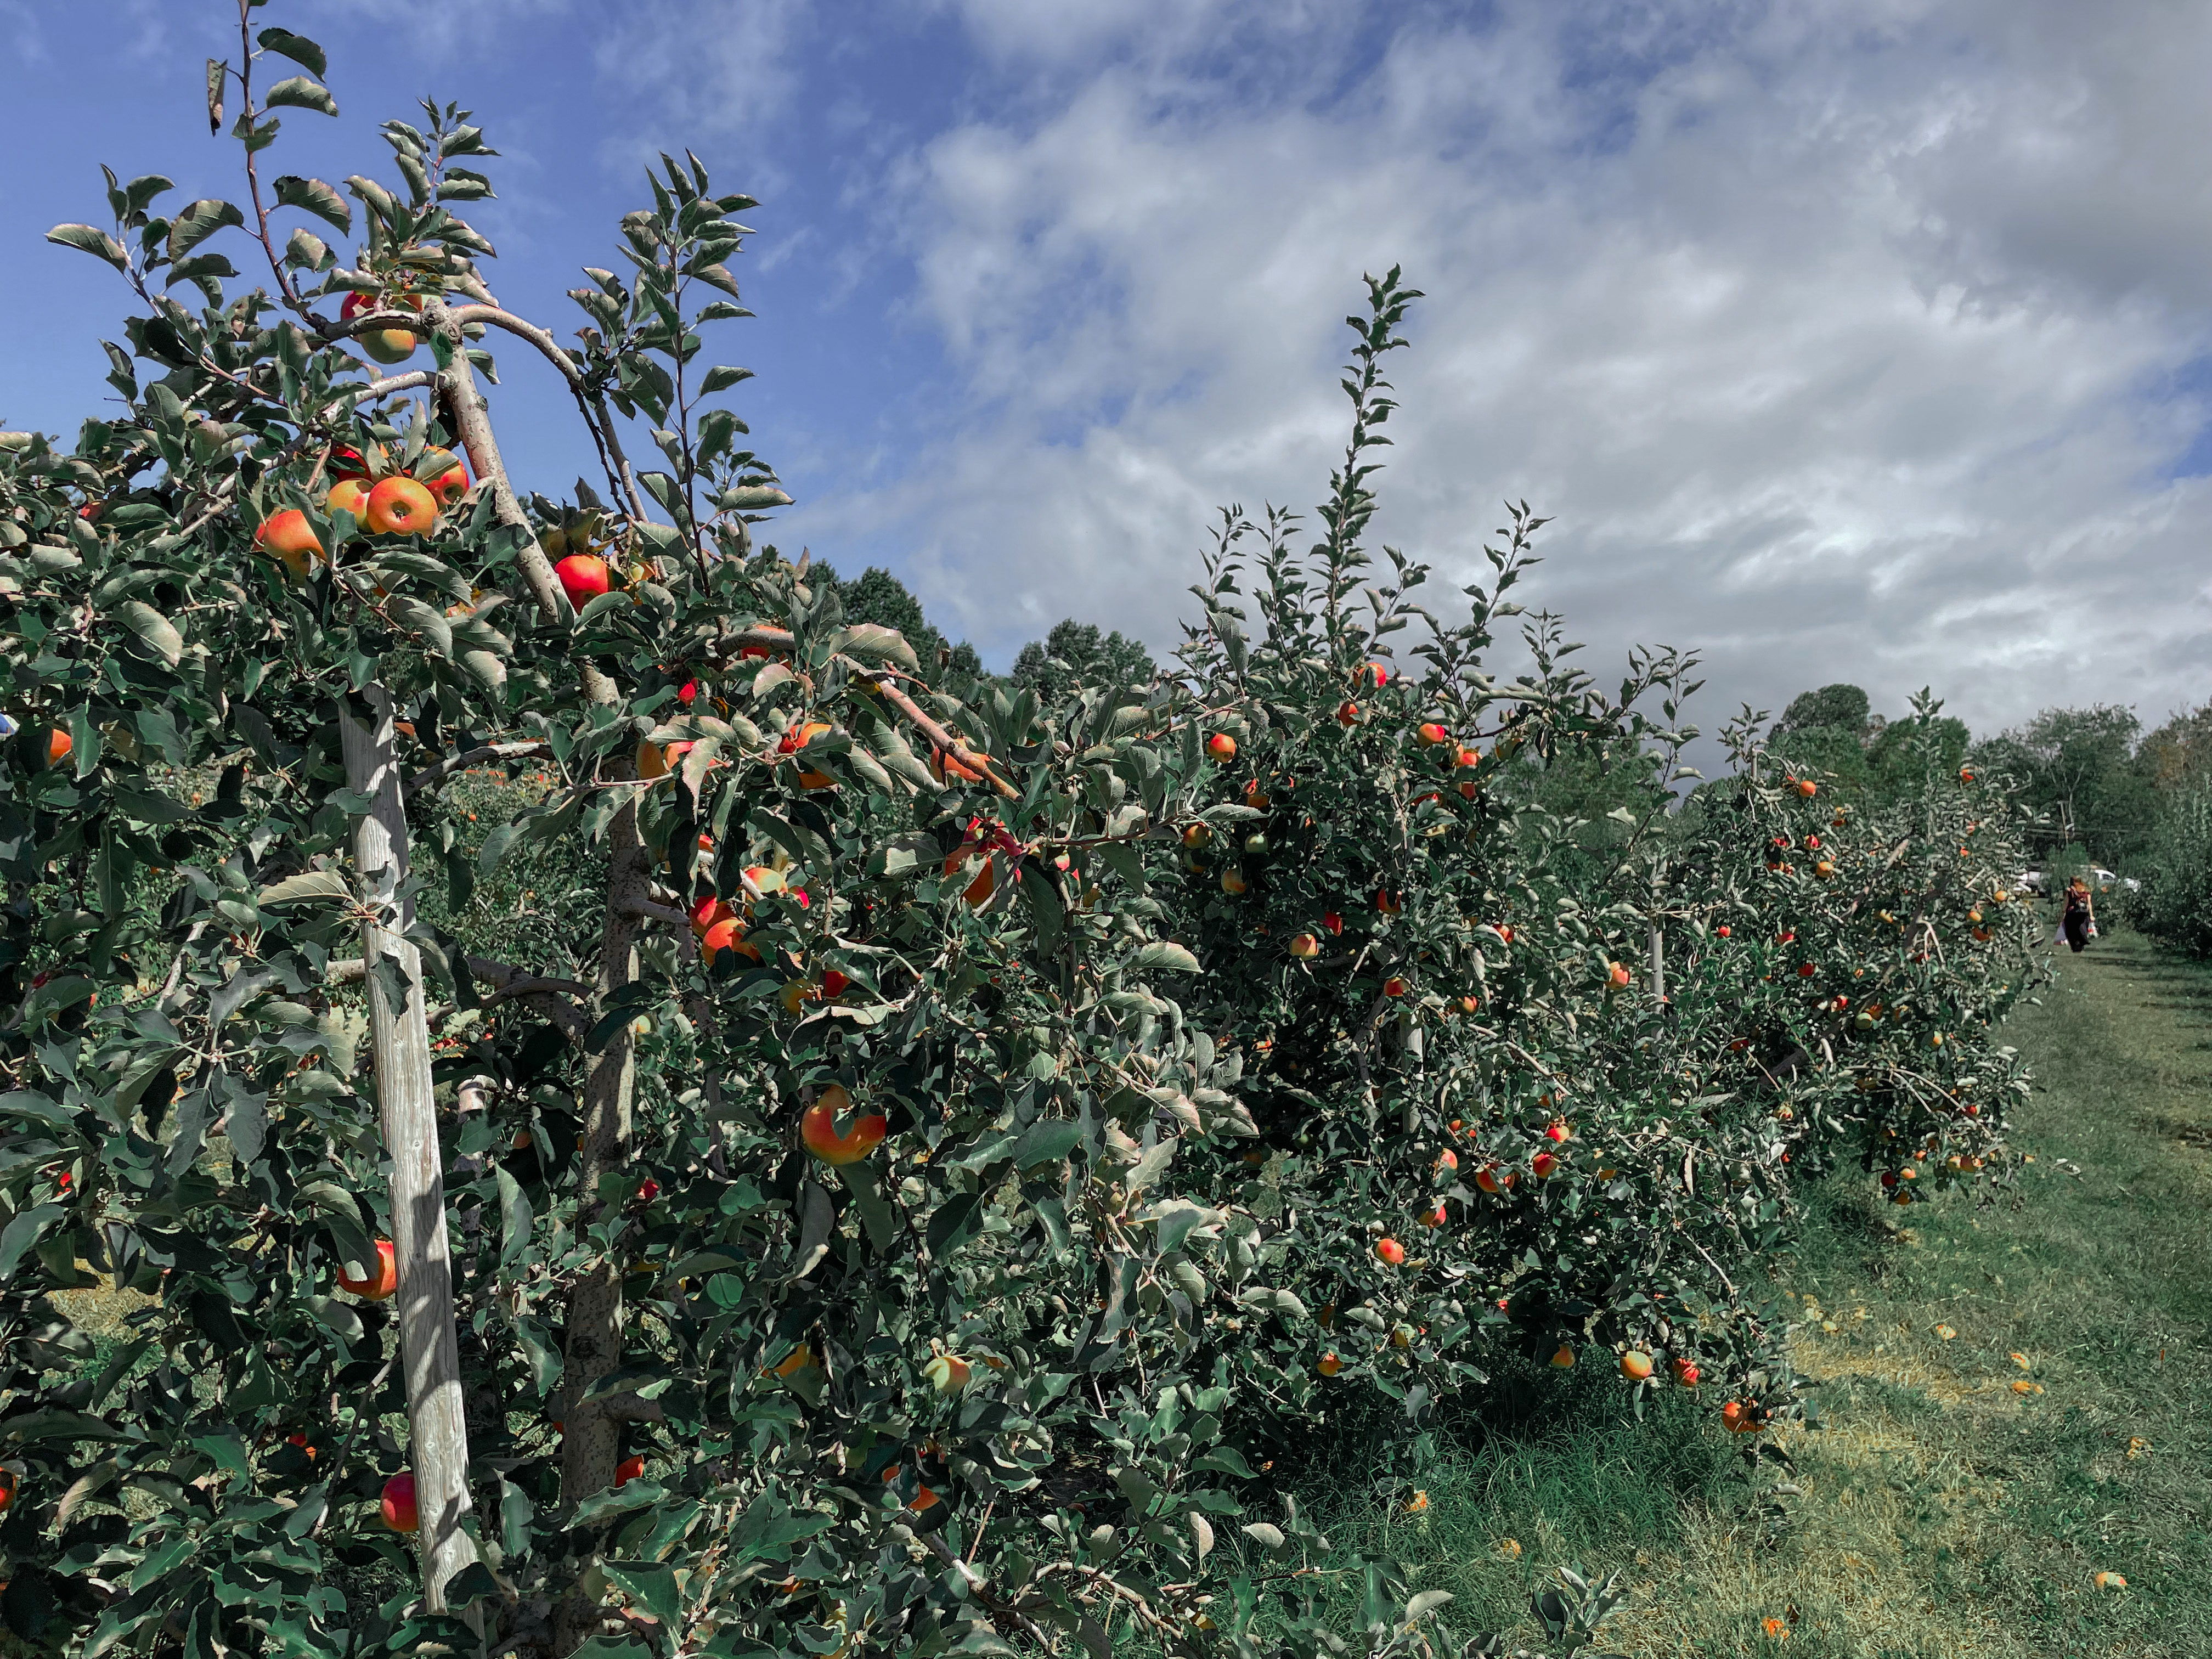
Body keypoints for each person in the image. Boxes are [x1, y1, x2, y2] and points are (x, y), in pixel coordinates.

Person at [2061, 875, 2095, 953]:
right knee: (2082, 930)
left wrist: (2062, 914)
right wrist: (2091, 915)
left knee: (2071, 931)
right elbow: (2089, 905)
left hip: (2071, 914)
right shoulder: (2086, 892)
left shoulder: (2070, 892)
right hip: (2083, 915)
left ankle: (2075, 947)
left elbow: (2065, 904)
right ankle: (2081, 945)